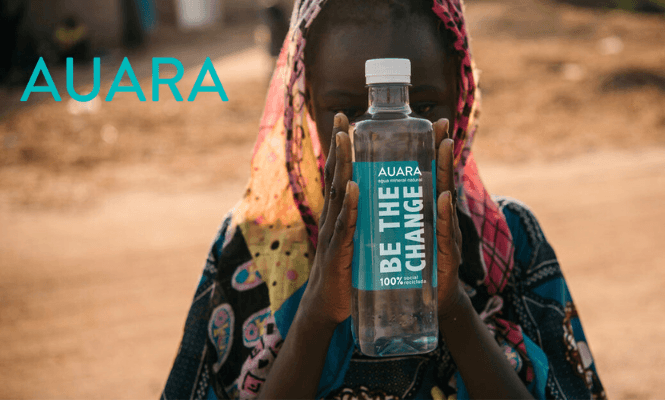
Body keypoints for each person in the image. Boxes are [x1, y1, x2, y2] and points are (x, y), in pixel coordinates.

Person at [162, 1, 606, 399]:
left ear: (461, 96)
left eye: (424, 108)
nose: (386, 143)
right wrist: (316, 313)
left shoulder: (510, 244)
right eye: (350, 114)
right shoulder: (252, 252)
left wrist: (451, 307)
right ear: (307, 103)